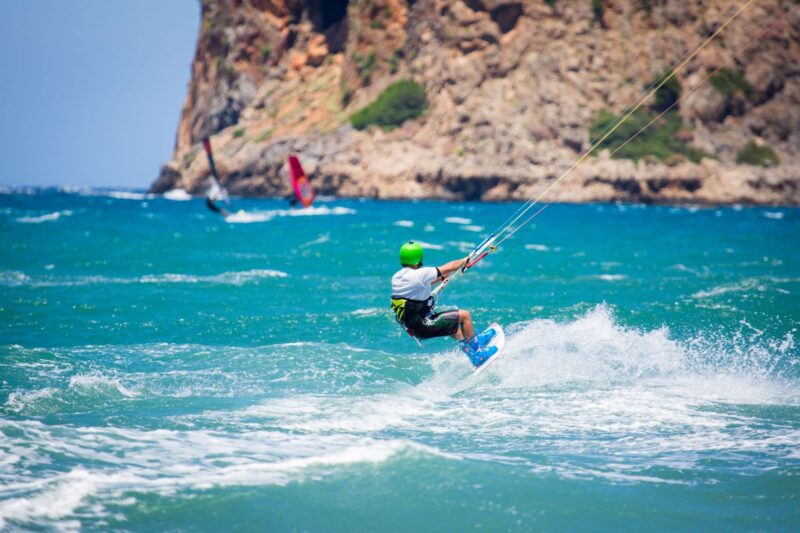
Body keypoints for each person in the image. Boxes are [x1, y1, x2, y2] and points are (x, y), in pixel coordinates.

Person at [390, 241, 497, 366]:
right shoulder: (421, 273)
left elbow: (421, 285)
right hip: (422, 325)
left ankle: (472, 344)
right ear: (419, 258)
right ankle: (477, 352)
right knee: (464, 316)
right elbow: (450, 266)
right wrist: (465, 260)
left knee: (452, 327)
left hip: (415, 325)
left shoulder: (398, 277)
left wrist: (442, 278)